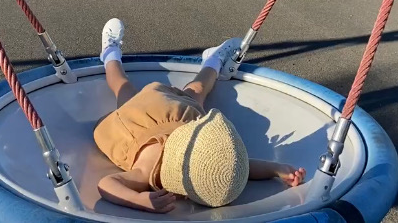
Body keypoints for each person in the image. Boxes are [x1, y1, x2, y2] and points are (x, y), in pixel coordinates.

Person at [94, 18, 306, 213]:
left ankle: (212, 60)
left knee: (192, 90)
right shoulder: (148, 169)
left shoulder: (211, 164)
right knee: (124, 86)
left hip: (161, 118)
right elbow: (107, 184)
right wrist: (137, 200)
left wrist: (277, 170)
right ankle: (110, 53)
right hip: (149, 117)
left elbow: (233, 167)